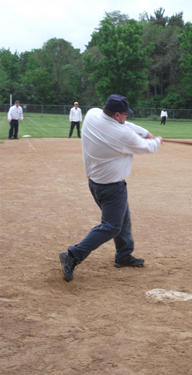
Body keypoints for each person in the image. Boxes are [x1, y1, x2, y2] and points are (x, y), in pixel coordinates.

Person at [59, 94, 163, 282]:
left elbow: (127, 127)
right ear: (116, 115)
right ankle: (73, 255)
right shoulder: (121, 135)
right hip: (112, 188)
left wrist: (145, 132)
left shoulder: (92, 114)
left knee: (123, 219)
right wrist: (156, 140)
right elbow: (147, 147)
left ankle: (123, 255)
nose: (127, 117)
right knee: (112, 226)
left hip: (95, 183)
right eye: (125, 114)